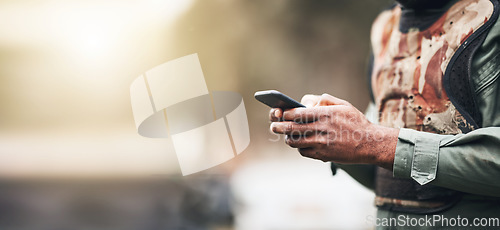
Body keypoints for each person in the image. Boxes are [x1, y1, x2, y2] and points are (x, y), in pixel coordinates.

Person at [269, 0, 500, 229]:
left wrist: (374, 142)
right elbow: (385, 176)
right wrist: (335, 140)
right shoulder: (385, 27)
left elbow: (380, 145)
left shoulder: (491, 22)